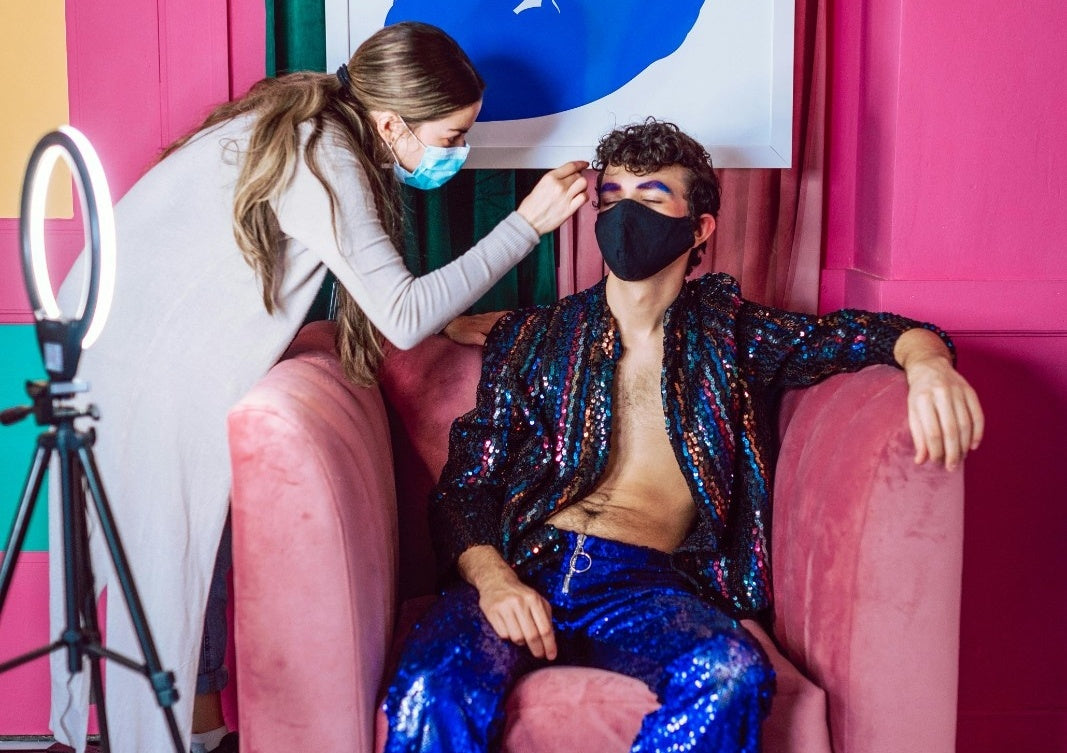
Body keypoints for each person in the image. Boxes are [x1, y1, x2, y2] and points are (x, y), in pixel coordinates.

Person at [48, 21, 589, 753]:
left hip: (115, 342)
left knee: (188, 551)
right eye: (451, 134)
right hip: (135, 360)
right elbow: (398, 314)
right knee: (166, 563)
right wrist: (527, 224)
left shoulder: (316, 126)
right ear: (392, 122)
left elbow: (377, 296)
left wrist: (445, 319)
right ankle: (166, 737)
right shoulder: (323, 153)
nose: (456, 153)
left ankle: (194, 730)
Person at [381, 118, 984, 753]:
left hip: (642, 583)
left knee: (729, 676)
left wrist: (929, 366)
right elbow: (464, 489)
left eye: (651, 195)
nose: (625, 212)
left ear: (700, 229)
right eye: (611, 196)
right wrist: (494, 580)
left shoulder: (734, 337)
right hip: (525, 562)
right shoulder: (532, 337)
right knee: (431, 684)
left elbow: (875, 332)